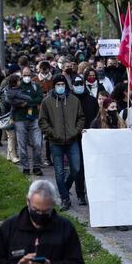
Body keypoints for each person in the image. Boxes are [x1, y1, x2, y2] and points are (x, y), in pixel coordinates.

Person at [38, 74, 85, 211]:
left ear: (66, 85)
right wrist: (52, 133)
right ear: (54, 86)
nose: (60, 87)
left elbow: (81, 118)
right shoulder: (47, 101)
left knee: (76, 169)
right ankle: (65, 199)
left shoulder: (74, 100)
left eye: (62, 84)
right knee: (59, 172)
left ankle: (65, 186)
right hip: (55, 142)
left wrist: (75, 131)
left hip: (72, 140)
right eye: (57, 84)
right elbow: (42, 121)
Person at [9, 67, 43, 175]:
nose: (27, 77)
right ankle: (26, 167)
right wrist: (24, 102)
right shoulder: (17, 86)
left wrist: (27, 103)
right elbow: (12, 100)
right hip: (20, 119)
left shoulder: (35, 86)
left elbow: (40, 98)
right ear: (21, 75)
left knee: (37, 143)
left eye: (28, 75)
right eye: (24, 75)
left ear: (31, 75)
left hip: (34, 118)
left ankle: (37, 167)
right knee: (22, 144)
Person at [72, 75, 99, 205]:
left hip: (91, 137)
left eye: (80, 83)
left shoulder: (92, 100)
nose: (79, 86)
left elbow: (97, 117)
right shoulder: (70, 100)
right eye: (76, 83)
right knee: (79, 168)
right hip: (75, 138)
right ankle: (80, 193)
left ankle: (93, 192)